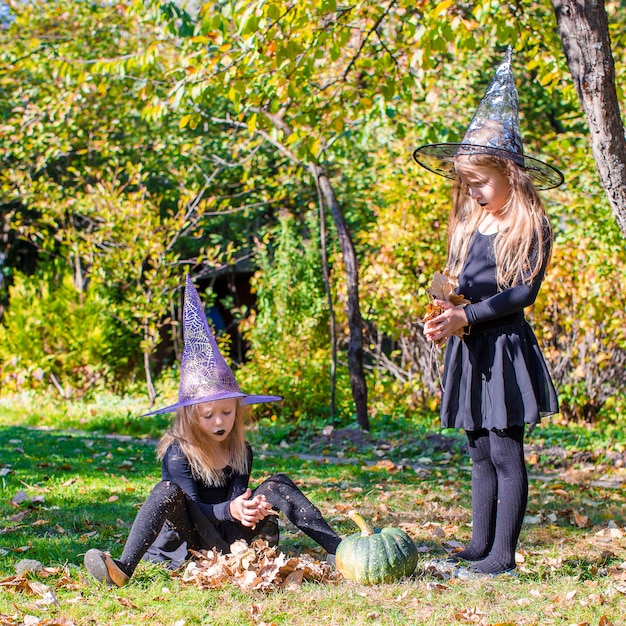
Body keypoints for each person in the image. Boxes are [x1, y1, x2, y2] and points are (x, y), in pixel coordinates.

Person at [84, 276, 342, 587]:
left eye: (227, 412)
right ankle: (123, 568)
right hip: (189, 539)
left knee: (278, 484)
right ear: (191, 416)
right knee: (166, 492)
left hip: (227, 541)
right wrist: (229, 508)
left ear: (238, 410)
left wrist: (249, 509)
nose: (219, 422)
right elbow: (194, 513)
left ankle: (340, 549)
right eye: (208, 415)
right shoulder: (179, 452)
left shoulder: (241, 450)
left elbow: (236, 503)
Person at [413, 47, 562, 578]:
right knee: (478, 449)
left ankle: (503, 556)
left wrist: (468, 318)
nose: (471, 192)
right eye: (466, 184)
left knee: (504, 450)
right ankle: (479, 546)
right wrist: (445, 311)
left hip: (503, 350)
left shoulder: (529, 225)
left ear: (509, 174)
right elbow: (464, 288)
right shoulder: (473, 224)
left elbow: (521, 294)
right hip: (470, 350)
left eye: (479, 182)